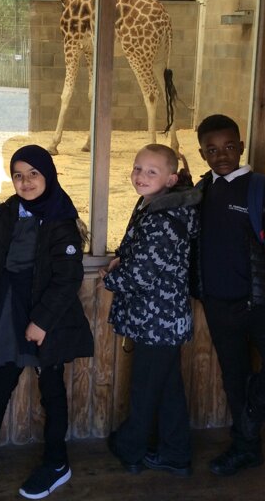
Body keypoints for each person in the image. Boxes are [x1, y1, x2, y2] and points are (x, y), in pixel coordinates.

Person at [0, 144, 93, 500]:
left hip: (45, 318)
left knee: (51, 389)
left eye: (33, 174)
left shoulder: (62, 218)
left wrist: (41, 322)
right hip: (8, 312)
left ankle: (57, 462)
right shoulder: (7, 212)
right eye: (18, 175)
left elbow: (67, 278)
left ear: (48, 175)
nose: (25, 182)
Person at [194, 114, 265, 476]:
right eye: (212, 149)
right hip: (218, 305)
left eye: (229, 147)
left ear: (241, 147)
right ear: (202, 153)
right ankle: (246, 448)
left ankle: (248, 419)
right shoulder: (200, 192)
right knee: (234, 376)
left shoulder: (262, 189)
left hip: (261, 302)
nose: (222, 155)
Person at [100, 144, 199, 478]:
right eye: (137, 168)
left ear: (171, 179)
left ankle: (131, 449)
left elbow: (142, 274)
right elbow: (140, 253)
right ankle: (176, 453)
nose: (140, 176)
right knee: (168, 388)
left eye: (151, 172)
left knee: (145, 389)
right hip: (162, 320)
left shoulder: (164, 218)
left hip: (157, 320)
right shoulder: (156, 205)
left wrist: (110, 278)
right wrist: (122, 258)